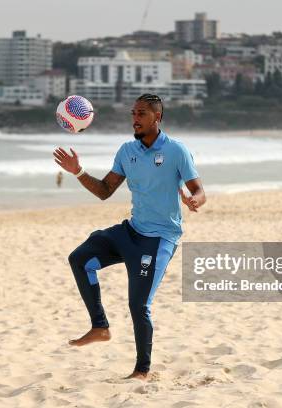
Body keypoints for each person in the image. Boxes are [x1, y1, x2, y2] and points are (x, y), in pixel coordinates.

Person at [53, 94, 206, 380]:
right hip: (132, 231)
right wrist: (78, 172)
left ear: (156, 118)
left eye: (142, 114)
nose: (135, 119)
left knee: (138, 305)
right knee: (80, 258)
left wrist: (194, 200)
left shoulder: (176, 151)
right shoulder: (127, 151)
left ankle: (141, 371)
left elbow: (199, 189)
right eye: (133, 113)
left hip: (160, 239)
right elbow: (104, 191)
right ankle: (100, 326)